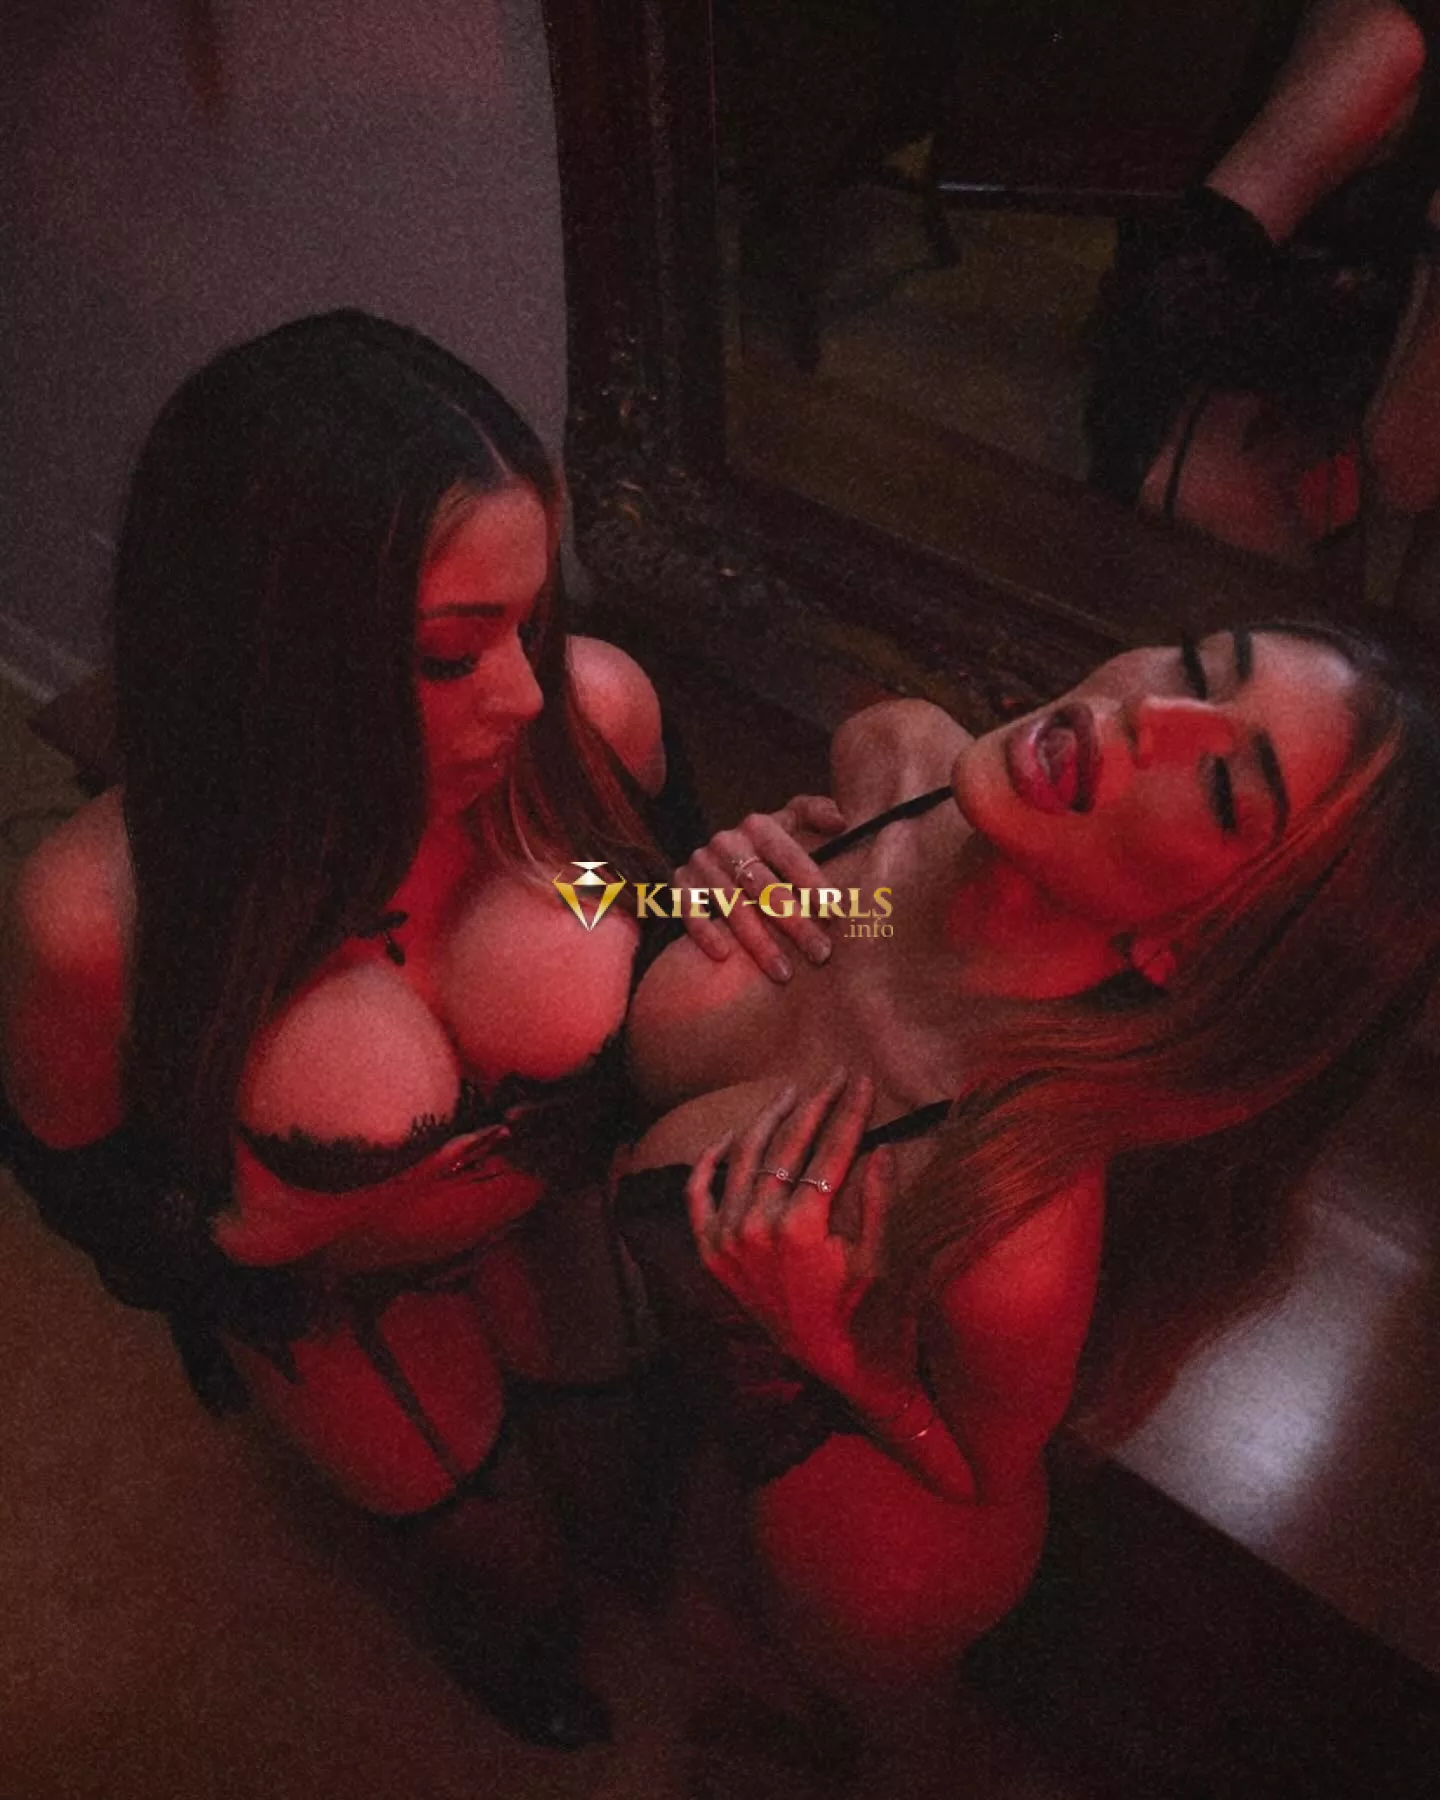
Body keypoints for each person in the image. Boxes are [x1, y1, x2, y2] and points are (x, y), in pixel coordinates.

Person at [0, 310, 673, 1749]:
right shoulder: (99, 918)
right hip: (338, 1295)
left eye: (533, 622)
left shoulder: (587, 728)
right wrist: (256, 1236)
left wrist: (849, 892)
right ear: (271, 662)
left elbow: (658, 900)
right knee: (502, 1566)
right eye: (451, 654)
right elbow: (81, 1185)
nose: (525, 692)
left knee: (634, 1491)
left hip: (549, 1207)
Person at [612, 620, 1440, 1788]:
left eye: (1220, 788)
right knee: (700, 1654)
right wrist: (683, 881)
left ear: (1192, 947)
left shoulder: (1012, 1216)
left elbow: (981, 1467)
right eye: (1196, 668)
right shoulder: (893, 762)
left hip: (889, 1541)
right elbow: (597, 899)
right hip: (726, 1399)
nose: (1147, 714)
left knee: (882, 1746)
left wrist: (843, 1349)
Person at [1087, 0, 1440, 588]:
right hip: (1188, 442)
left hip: (1307, 449)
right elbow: (1177, 290)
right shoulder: (1383, 43)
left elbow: (1406, 473)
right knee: (1335, 625)